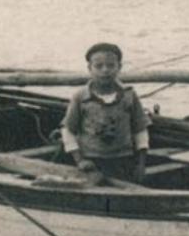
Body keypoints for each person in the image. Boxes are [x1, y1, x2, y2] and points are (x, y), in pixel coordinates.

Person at [61, 42, 151, 183]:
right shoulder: (81, 97)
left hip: (123, 159)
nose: (105, 70)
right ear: (90, 68)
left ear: (119, 67)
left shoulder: (129, 95)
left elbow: (140, 130)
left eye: (110, 65)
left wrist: (141, 164)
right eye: (98, 66)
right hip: (91, 161)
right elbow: (68, 131)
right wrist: (80, 160)